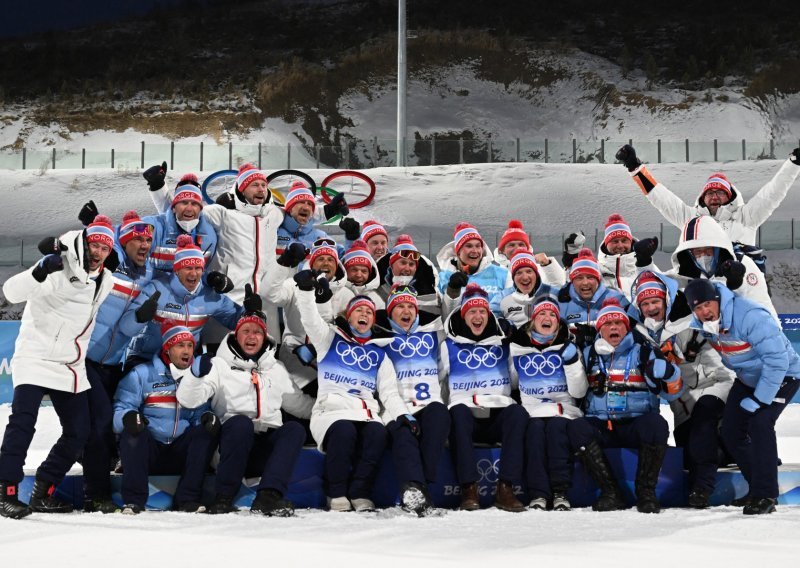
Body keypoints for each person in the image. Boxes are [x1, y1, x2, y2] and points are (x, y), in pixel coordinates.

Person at [0, 218, 115, 519]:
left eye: (105, 247)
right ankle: (6, 490)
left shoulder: (107, 280)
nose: (99, 252)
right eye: (95, 244)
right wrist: (38, 272)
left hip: (70, 365)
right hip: (35, 357)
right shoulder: (55, 268)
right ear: (84, 243)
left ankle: (44, 490)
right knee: (23, 423)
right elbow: (11, 292)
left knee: (79, 432)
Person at [293, 272, 410, 512]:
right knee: (344, 431)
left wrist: (402, 415)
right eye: (359, 311)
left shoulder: (379, 352)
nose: (364, 314)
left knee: (378, 433)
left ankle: (359, 491)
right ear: (349, 316)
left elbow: (389, 393)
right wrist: (305, 292)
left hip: (365, 412)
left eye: (368, 312)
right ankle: (335, 492)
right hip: (332, 411)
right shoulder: (329, 339)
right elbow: (310, 320)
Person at [176, 311, 312, 516]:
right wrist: (195, 376)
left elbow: (299, 404)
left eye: (257, 332)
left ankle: (268, 496)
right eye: (246, 331)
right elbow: (189, 400)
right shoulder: (219, 365)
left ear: (265, 337)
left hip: (264, 447)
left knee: (293, 429)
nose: (252, 336)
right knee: (241, 423)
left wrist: (333, 406)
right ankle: (223, 497)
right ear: (236, 335)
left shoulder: (276, 369)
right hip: (230, 445)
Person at [684, 278, 800, 515]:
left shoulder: (750, 316)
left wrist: (760, 399)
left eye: (707, 304)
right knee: (730, 431)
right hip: (748, 378)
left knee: (760, 423)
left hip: (783, 375)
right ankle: (756, 488)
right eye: (697, 307)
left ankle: (766, 494)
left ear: (717, 299)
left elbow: (778, 361)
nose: (704, 311)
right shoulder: (702, 325)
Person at [628, 271, 734, 508]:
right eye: (645, 303)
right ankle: (731, 450)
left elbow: (720, 310)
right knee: (688, 453)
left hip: (716, 384)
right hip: (682, 401)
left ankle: (701, 489)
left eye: (655, 301)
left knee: (702, 426)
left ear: (666, 300)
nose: (651, 307)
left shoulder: (690, 319)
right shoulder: (642, 334)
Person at [572, 298, 684, 513]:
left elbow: (673, 392)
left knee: (656, 425)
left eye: (619, 323)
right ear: (599, 329)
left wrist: (671, 374)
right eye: (607, 323)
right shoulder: (588, 355)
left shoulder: (644, 351)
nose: (614, 327)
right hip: (603, 425)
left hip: (635, 422)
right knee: (577, 428)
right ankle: (611, 493)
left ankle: (646, 493)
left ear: (626, 326)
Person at [82, 210, 156, 513]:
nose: (145, 244)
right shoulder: (104, 265)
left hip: (113, 362)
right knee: (98, 424)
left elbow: (125, 327)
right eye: (138, 238)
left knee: (101, 426)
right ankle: (95, 493)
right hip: (84, 359)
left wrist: (140, 318)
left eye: (149, 239)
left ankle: (95, 469)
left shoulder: (145, 275)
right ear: (123, 242)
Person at [440, 283, 528, 512]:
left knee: (518, 413)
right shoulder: (448, 346)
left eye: (482, 312)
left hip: (498, 413)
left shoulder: (503, 344)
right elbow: (435, 379)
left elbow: (518, 380)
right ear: (463, 315)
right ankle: (469, 489)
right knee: (456, 413)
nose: (477, 316)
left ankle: (506, 488)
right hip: (466, 414)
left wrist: (518, 343)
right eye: (472, 311)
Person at [113, 324, 218, 514]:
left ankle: (188, 499)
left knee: (204, 434)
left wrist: (206, 418)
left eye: (189, 346)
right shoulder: (142, 374)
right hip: (151, 450)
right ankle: (134, 501)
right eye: (180, 346)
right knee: (132, 435)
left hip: (180, 450)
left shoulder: (198, 377)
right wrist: (127, 417)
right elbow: (121, 408)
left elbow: (199, 412)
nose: (187, 351)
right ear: (167, 349)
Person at [616, 144, 800, 246]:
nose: (714, 196)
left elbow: (772, 193)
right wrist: (635, 167)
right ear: (702, 198)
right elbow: (660, 197)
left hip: (741, 289)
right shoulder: (690, 219)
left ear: (730, 197)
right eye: (710, 192)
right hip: (703, 295)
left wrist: (793, 165)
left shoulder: (746, 217)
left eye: (720, 192)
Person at [120, 234, 257, 364]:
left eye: (198, 268)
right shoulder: (156, 289)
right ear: (177, 270)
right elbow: (125, 329)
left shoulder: (210, 296)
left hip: (184, 363)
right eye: (188, 268)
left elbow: (235, 321)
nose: (193, 273)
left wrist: (250, 311)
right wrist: (139, 317)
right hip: (146, 359)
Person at [375, 285, 450, 515]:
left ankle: (418, 488)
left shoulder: (433, 333)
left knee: (439, 414)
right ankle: (418, 492)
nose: (406, 311)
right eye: (400, 306)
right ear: (390, 313)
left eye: (410, 306)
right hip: (396, 407)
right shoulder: (380, 339)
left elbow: (442, 368)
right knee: (404, 435)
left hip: (428, 404)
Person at [508, 298, 588, 511]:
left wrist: (571, 363)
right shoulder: (517, 348)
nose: (547, 318)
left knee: (556, 429)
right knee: (534, 433)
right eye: (542, 314)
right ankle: (538, 494)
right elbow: (511, 382)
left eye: (552, 315)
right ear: (533, 321)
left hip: (563, 411)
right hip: (532, 412)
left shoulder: (569, 347)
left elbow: (579, 391)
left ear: (558, 322)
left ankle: (560, 492)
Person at [263, 239, 355, 405]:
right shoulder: (293, 285)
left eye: (330, 259)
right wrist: (284, 262)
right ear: (312, 263)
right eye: (320, 259)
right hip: (293, 357)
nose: (325, 263)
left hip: (331, 364)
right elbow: (268, 293)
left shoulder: (347, 294)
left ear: (337, 265)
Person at [633, 216, 778, 321]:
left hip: (746, 339)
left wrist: (737, 284)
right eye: (697, 251)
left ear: (718, 248)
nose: (703, 256)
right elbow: (655, 285)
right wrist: (644, 262)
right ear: (689, 253)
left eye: (707, 250)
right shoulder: (688, 273)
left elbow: (763, 307)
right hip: (713, 343)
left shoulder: (743, 264)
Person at [138, 164, 218, 273]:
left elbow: (204, 273)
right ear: (174, 208)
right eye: (184, 202)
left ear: (201, 208)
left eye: (194, 204)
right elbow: (125, 235)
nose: (189, 208)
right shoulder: (152, 226)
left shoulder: (210, 236)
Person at [555, 247, 629, 348]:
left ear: (598, 280)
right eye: (579, 278)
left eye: (590, 277)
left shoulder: (618, 299)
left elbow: (630, 333)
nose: (585, 283)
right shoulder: (562, 302)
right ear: (572, 281)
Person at [437, 222, 511, 317]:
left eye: (478, 246)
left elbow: (511, 309)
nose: (475, 251)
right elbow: (445, 317)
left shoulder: (503, 274)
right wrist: (453, 291)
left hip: (496, 330)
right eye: (469, 246)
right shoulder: (443, 278)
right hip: (459, 331)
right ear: (458, 251)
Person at [276, 180, 348, 255]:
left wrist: (352, 237)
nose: (306, 207)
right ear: (290, 209)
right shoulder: (273, 231)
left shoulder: (320, 238)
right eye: (301, 202)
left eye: (309, 204)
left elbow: (344, 257)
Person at [375, 234, 441, 315]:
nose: (407, 268)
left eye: (411, 264)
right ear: (392, 265)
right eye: (403, 263)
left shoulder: (431, 293)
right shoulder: (377, 289)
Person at [596, 213, 655, 301]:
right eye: (615, 241)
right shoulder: (597, 269)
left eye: (624, 241)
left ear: (631, 242)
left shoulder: (645, 265)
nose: (620, 246)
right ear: (606, 244)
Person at [499, 251, 559, 329]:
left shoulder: (552, 294)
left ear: (536, 275)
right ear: (513, 278)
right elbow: (489, 318)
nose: (525, 277)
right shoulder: (503, 298)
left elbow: (560, 283)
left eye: (529, 271)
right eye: (519, 273)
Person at [493, 220, 565, 283]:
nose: (517, 248)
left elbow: (558, 284)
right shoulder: (494, 272)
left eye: (521, 244)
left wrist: (548, 264)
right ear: (502, 251)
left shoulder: (538, 269)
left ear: (528, 249)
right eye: (511, 245)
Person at [342, 240, 385, 308]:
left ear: (370, 274)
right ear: (345, 271)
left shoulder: (376, 300)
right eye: (354, 270)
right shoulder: (336, 295)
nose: (359, 275)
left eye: (364, 271)